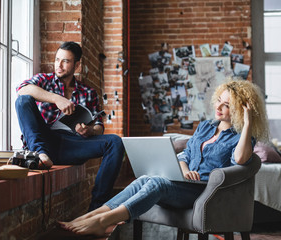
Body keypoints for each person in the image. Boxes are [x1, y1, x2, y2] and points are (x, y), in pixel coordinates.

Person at [59, 79, 269, 236]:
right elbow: (185, 155)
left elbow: (240, 161)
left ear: (240, 111)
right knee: (143, 180)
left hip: (205, 191)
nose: (219, 107)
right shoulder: (206, 127)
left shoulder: (243, 138)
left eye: (227, 105)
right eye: (219, 101)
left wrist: (248, 123)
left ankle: (104, 220)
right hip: (185, 182)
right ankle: (91, 216)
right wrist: (185, 170)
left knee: (157, 183)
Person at [15, 41, 125, 211]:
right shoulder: (44, 80)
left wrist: (89, 130)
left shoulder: (88, 92)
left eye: (65, 61)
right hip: (43, 142)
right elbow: (21, 90)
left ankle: (96, 210)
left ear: (77, 64)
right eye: (57, 59)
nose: (59, 65)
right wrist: (56, 99)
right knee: (23, 100)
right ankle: (41, 154)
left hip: (71, 145)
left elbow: (99, 126)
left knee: (115, 142)